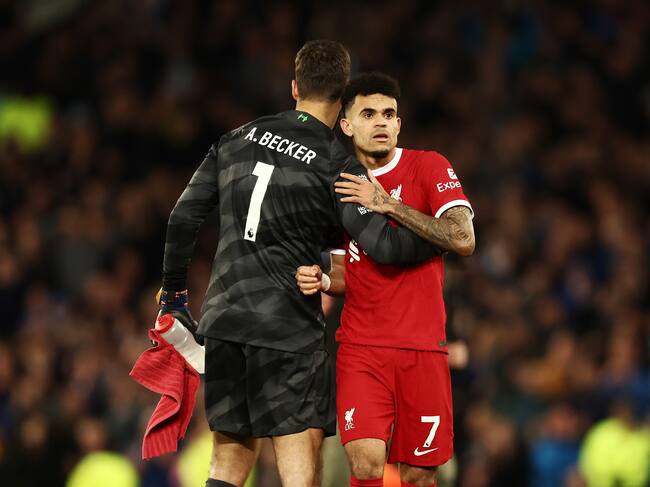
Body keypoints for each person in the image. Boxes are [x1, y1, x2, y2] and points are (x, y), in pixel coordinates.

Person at [159, 43, 440, 487]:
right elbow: (383, 247)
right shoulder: (337, 165)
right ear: (343, 97)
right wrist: (440, 237)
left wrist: (174, 297)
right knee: (299, 462)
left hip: (225, 320)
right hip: (285, 327)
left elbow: (182, 218)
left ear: (295, 87)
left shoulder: (236, 138)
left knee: (228, 461)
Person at [295, 72, 475, 487]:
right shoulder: (340, 186)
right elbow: (347, 271)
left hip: (423, 348)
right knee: (365, 462)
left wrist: (388, 205)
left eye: (388, 114)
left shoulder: (428, 166)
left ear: (399, 124)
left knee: (419, 474)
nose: (380, 122)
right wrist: (323, 280)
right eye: (368, 114)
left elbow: (463, 238)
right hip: (362, 348)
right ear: (346, 125)